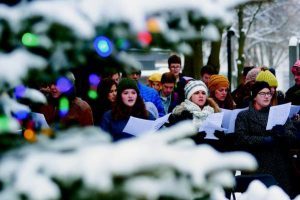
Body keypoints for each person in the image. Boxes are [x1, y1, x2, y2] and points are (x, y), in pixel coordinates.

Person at [234, 81, 297, 196]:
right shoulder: (244, 116)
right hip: (257, 165)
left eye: (269, 93)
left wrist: (283, 133)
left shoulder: (279, 112)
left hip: (281, 166)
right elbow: (241, 139)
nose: (267, 96)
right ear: (254, 96)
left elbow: (293, 136)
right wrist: (264, 140)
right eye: (262, 93)